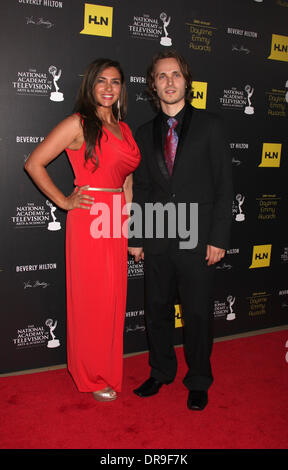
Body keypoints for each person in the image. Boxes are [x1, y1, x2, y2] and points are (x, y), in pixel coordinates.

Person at [25, 59, 140, 402]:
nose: (108, 88)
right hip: (90, 220)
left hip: (116, 218)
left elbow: (128, 181)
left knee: (113, 301)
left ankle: (105, 365)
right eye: (101, 81)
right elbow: (34, 163)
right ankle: (91, 375)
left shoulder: (125, 128)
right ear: (90, 86)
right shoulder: (78, 124)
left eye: (115, 82)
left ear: (122, 88)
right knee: (93, 301)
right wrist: (63, 201)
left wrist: (129, 227)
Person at [128, 51, 233, 410]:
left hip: (198, 238)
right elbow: (141, 189)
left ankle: (199, 379)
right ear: (152, 85)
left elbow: (224, 186)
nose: (169, 81)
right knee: (155, 310)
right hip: (157, 238)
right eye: (162, 76)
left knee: (198, 314)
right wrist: (137, 237)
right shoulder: (143, 133)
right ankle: (160, 371)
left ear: (186, 82)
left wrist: (219, 238)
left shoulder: (212, 126)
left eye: (175, 75)